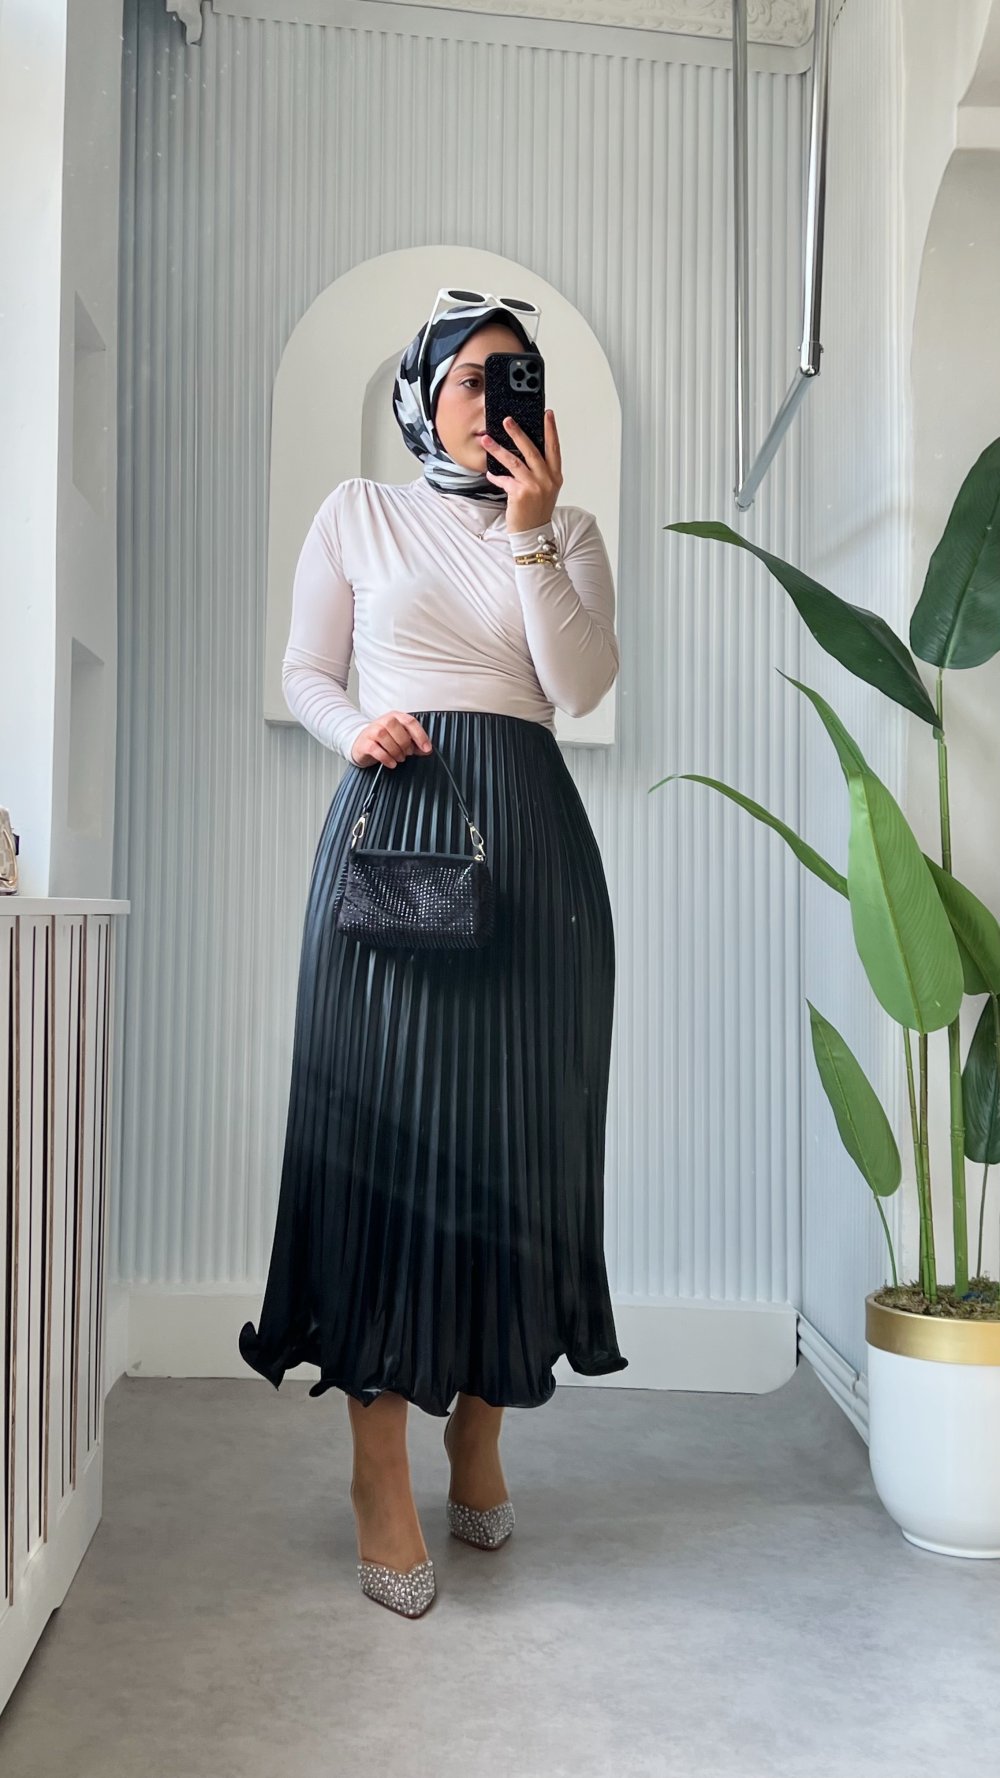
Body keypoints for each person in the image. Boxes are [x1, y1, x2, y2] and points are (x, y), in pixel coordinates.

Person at [239, 290, 627, 1618]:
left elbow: (578, 687)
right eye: (473, 376)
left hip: (534, 851)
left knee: (516, 1138)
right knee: (382, 1145)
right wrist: (355, 729)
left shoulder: (568, 529)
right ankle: (376, 1466)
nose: (495, 399)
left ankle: (482, 1422)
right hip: (397, 826)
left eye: (518, 377)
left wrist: (530, 534)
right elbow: (306, 671)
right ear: (421, 391)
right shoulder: (357, 511)